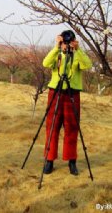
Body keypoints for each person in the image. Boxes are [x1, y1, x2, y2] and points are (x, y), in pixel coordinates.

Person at [42, 30, 92, 176]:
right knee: (52, 128)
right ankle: (49, 160)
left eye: (68, 42)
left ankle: (72, 161)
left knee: (72, 128)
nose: (66, 44)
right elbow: (45, 63)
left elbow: (87, 65)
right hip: (55, 92)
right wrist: (56, 47)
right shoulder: (57, 54)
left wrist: (78, 49)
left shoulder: (77, 54)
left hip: (72, 93)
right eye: (64, 41)